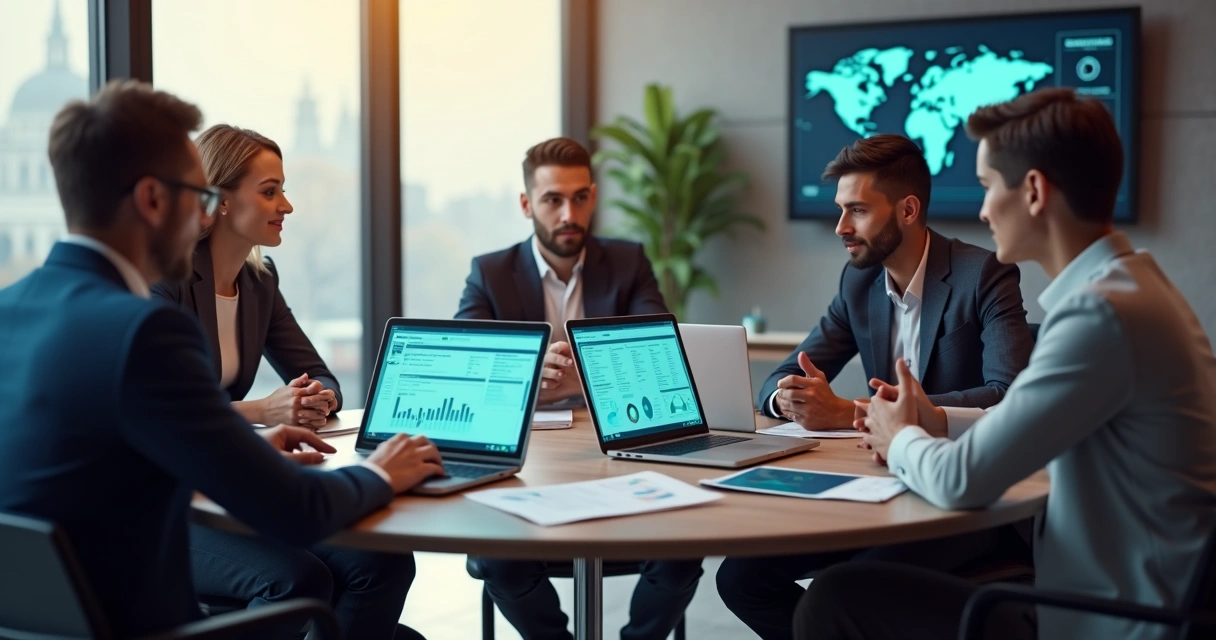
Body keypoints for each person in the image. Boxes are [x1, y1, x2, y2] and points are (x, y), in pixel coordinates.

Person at [0, 80, 444, 639]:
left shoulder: (9, 308)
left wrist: (244, 446)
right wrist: (382, 472)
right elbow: (295, 511)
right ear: (153, 200)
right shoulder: (143, 329)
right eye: (200, 196)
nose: (203, 215)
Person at [795, 88, 1216, 640]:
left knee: (833, 599)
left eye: (989, 186)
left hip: (1106, 623)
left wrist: (899, 438)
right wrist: (932, 418)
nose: (982, 209)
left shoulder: (1099, 316)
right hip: (1112, 601)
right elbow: (1021, 415)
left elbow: (959, 478)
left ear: (1035, 191)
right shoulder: (1131, 289)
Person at [717, 134, 1036, 640]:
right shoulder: (859, 282)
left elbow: (1008, 395)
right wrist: (789, 399)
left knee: (841, 589)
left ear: (907, 210)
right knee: (741, 577)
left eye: (858, 211)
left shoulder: (984, 274)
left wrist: (852, 413)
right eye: (841, 210)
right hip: (880, 487)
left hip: (966, 502)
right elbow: (780, 377)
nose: (841, 227)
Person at [151, 125, 419, 640]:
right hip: (173, 498)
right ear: (221, 200)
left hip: (232, 479)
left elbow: (321, 375)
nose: (287, 206)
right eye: (270, 191)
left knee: (383, 564)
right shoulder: (168, 283)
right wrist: (265, 411)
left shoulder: (259, 280)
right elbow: (168, 418)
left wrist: (311, 399)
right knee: (298, 579)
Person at [456, 137, 700, 640]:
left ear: (593, 195)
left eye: (580, 197)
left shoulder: (629, 262)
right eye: (552, 200)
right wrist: (531, 381)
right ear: (527, 204)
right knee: (498, 557)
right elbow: (473, 375)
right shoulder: (491, 272)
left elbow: (658, 362)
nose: (569, 213)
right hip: (530, 465)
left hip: (617, 452)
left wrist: (582, 380)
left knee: (684, 542)